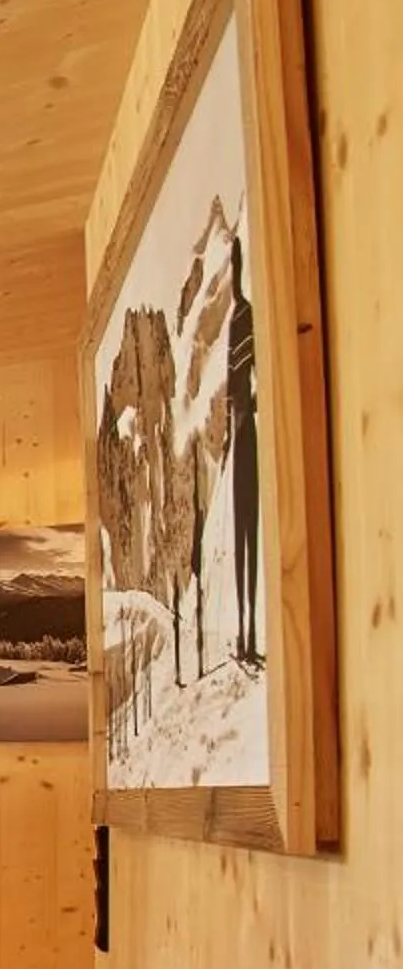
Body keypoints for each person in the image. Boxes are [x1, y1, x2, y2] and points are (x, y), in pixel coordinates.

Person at [225, 233, 261, 667]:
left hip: (248, 434)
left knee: (248, 535)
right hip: (241, 435)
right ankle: (243, 630)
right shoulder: (240, 318)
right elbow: (236, 388)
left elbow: (245, 386)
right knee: (242, 537)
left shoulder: (246, 316)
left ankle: (249, 630)